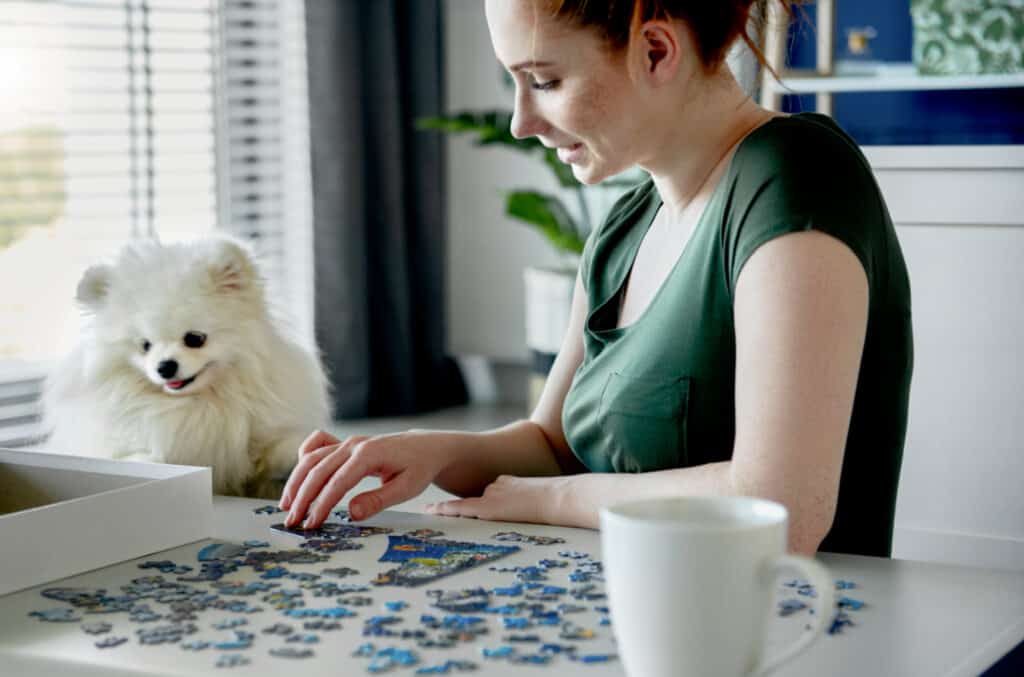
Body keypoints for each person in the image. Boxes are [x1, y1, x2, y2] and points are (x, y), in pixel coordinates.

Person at [279, 0, 913, 558]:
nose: (520, 122)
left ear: (656, 50)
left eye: (545, 81)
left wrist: (553, 502)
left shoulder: (798, 179)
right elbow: (553, 446)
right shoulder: (625, 226)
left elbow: (783, 512)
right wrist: (429, 451)